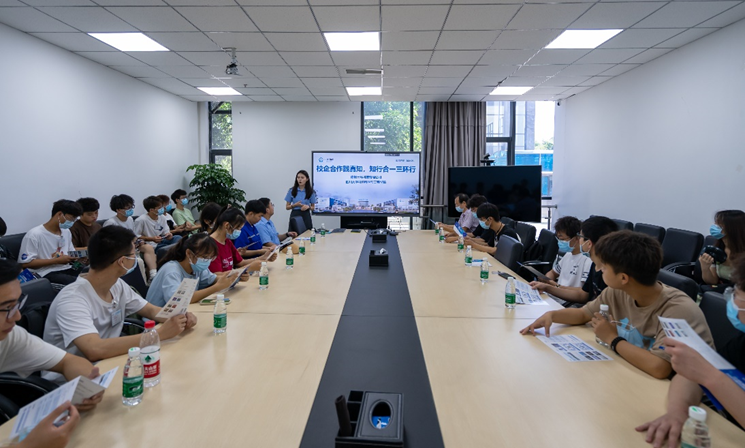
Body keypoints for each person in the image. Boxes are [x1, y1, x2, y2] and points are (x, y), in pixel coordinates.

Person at [521, 231, 714, 379]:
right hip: (634, 373)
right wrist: (553, 316)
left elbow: (660, 367)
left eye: (603, 267)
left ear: (623, 278)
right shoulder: (617, 291)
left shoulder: (677, 309)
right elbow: (583, 314)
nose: (599, 270)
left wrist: (612, 339)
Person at [43, 226, 197, 363]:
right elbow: (94, 349)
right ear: (122, 261)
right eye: (134, 254)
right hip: (76, 379)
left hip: (111, 360)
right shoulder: (72, 299)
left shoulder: (117, 285)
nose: (136, 258)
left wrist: (180, 317)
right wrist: (159, 334)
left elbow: (150, 310)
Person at [637, 255, 745, 447]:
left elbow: (705, 373)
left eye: (737, 292)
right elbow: (690, 376)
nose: (732, 299)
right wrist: (677, 413)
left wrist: (709, 376)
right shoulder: (741, 342)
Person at [0, 259, 103, 448]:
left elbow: (67, 361)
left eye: (17, 304)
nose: (17, 316)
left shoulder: (10, 337)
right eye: (7, 308)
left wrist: (86, 388)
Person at [532, 216, 619, 305]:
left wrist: (553, 286)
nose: (579, 240)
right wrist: (547, 287)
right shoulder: (594, 264)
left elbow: (584, 297)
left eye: (580, 236)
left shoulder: (597, 266)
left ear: (588, 243)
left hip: (570, 303)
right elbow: (584, 295)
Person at [146, 234, 238, 307]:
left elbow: (214, 279)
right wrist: (217, 287)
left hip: (180, 314)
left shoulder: (195, 266)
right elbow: (179, 300)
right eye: (205, 257)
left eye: (211, 257)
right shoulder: (171, 271)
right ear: (189, 253)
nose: (207, 261)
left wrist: (233, 276)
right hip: (158, 320)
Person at [528, 216, 593, 307]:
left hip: (569, 302)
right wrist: (547, 280)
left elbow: (582, 292)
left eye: (563, 239)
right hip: (555, 296)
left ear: (577, 238)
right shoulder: (568, 254)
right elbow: (553, 272)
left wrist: (554, 286)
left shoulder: (587, 260)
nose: (560, 242)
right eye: (558, 239)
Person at [19, 200, 83, 286]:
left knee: (92, 274)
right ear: (60, 214)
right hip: (45, 272)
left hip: (66, 267)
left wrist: (77, 257)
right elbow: (25, 263)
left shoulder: (66, 231)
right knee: (78, 283)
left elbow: (70, 252)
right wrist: (56, 261)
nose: (73, 222)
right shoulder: (34, 235)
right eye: (72, 218)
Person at [103, 194, 157, 281]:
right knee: (138, 261)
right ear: (118, 210)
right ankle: (143, 283)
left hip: (132, 246)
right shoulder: (111, 223)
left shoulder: (130, 219)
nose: (131, 210)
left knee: (148, 247)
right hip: (120, 250)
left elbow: (134, 235)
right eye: (128, 208)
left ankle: (153, 275)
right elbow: (108, 243)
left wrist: (138, 241)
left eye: (131, 207)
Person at [208, 207, 263, 273]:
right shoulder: (210, 245)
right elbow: (218, 275)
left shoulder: (227, 241)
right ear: (227, 225)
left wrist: (262, 258)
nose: (239, 231)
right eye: (238, 228)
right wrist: (249, 267)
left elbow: (240, 262)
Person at [700, 209, 745, 286]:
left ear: (732, 228)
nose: (714, 226)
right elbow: (712, 281)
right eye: (715, 223)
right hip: (722, 289)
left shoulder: (742, 255)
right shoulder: (718, 249)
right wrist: (705, 267)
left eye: (719, 224)